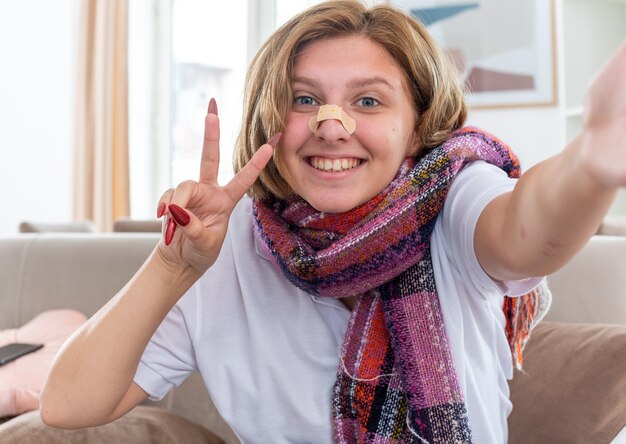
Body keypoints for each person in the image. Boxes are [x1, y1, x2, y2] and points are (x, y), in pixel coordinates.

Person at [40, 1, 626, 443]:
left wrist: (593, 163)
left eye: (368, 101)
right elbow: (66, 404)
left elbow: (528, 233)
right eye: (303, 99)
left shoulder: (453, 192)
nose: (331, 123)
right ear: (273, 118)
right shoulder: (226, 244)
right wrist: (173, 265)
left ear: (417, 128)